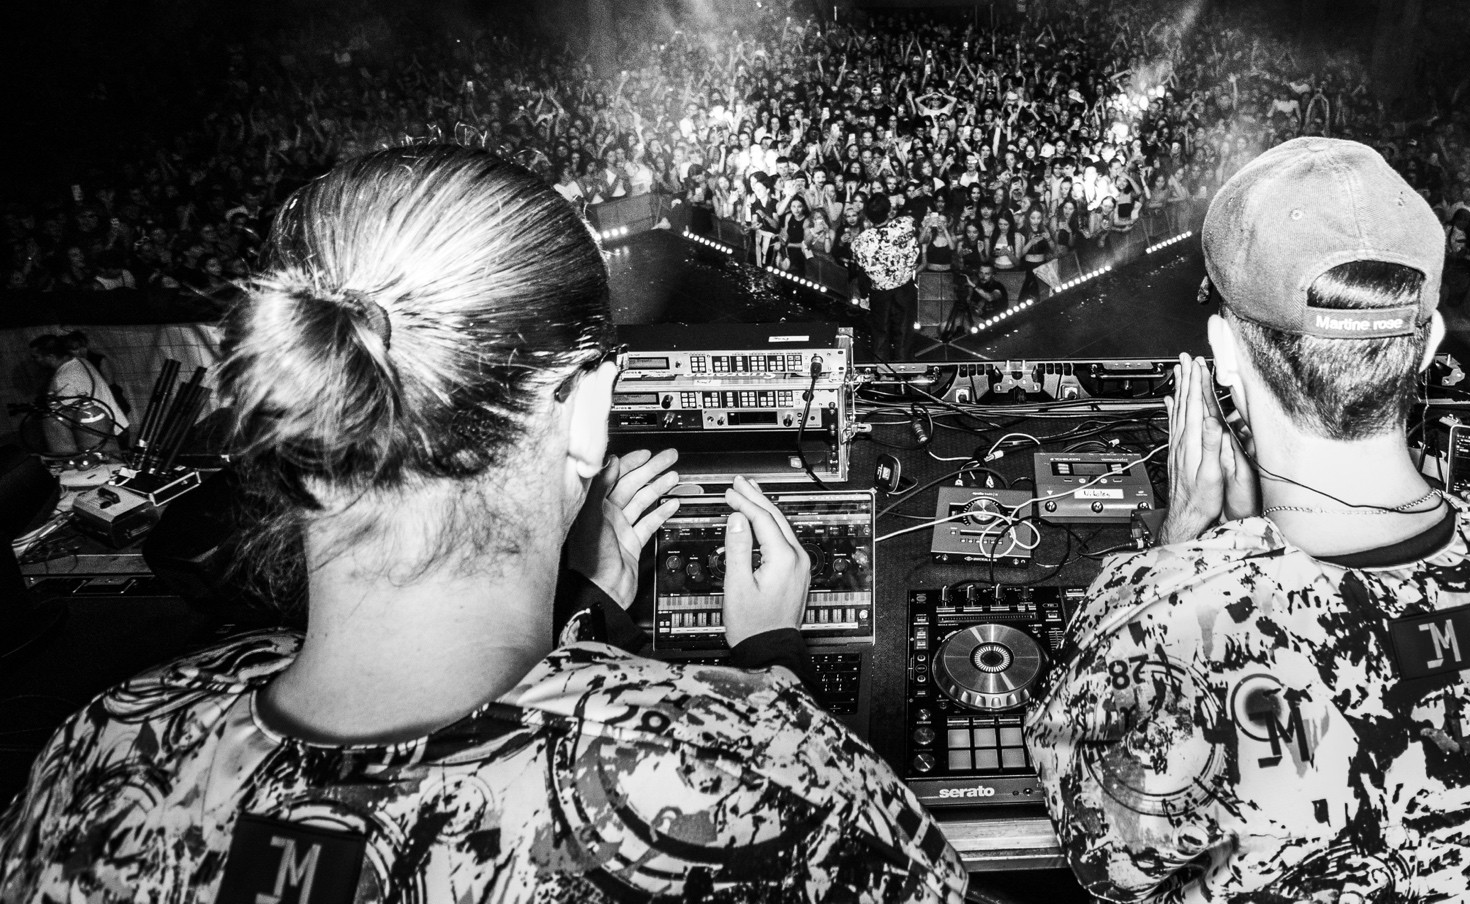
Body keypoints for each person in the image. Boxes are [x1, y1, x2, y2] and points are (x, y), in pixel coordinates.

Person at [0, 146, 966, 904]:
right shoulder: (759, 776)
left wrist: (593, 608)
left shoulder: (92, 760)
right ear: (587, 408)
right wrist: (773, 667)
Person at [1025, 137, 1470, 901]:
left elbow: (1098, 849)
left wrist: (1183, 551)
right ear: (1431, 345)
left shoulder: (1166, 617)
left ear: (1223, 355)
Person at [28, 333, 129, 454]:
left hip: (103, 436)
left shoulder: (63, 379)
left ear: (50, 356)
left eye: (35, 357)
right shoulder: (81, 361)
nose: (33, 361)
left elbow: (67, 419)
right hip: (118, 426)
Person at [850, 191, 919, 362]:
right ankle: (904, 373)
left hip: (880, 294)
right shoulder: (905, 225)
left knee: (880, 336)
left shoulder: (860, 241)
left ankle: (883, 374)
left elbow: (862, 271)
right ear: (889, 212)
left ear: (867, 216)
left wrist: (864, 295)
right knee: (904, 336)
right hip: (904, 289)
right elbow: (913, 219)